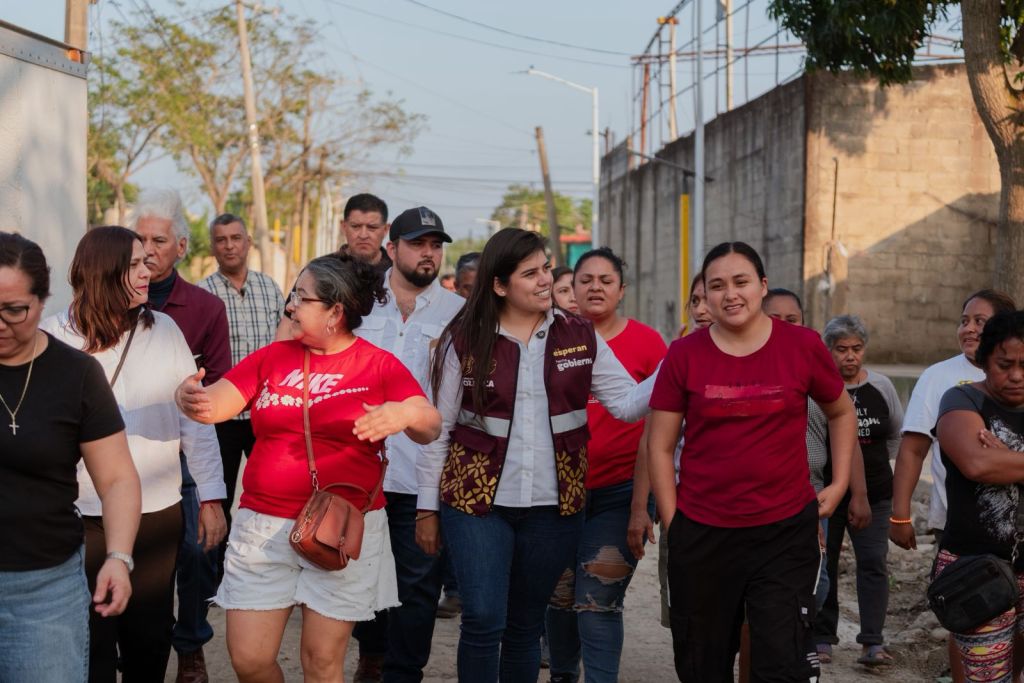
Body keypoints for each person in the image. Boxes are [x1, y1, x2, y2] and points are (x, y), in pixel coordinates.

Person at [176, 254, 441, 683]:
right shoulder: (273, 358)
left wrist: (402, 414)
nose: (290, 307)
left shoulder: (377, 365)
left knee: (321, 663)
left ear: (335, 312)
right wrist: (190, 398)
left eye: (301, 297)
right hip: (262, 529)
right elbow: (215, 403)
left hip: (338, 529)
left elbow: (429, 424)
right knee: (248, 658)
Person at [417, 228, 654, 682]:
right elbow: (439, 429)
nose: (546, 280)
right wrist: (427, 509)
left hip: (554, 508)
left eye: (546, 268)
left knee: (526, 625)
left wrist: (681, 364)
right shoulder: (464, 339)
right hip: (475, 505)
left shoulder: (579, 334)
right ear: (500, 285)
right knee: (484, 618)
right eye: (531, 273)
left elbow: (626, 403)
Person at [647, 241, 856, 682]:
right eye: (716, 286)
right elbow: (660, 446)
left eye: (741, 282)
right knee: (702, 663)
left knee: (781, 663)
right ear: (704, 296)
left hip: (783, 533)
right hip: (703, 534)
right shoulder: (684, 355)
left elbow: (841, 412)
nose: (730, 294)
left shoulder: (802, 346)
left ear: (762, 286)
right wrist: (674, 522)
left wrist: (838, 486)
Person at [42, 226, 228, 682]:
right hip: (80, 514)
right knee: (93, 638)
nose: (149, 271)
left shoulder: (164, 331)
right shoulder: (52, 337)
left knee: (149, 637)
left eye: (148, 261)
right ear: (104, 272)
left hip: (155, 512)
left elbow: (194, 418)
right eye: (135, 265)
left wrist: (210, 497)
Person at [0, 232, 141, 683]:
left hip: (45, 592)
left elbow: (117, 477)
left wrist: (119, 556)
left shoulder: (77, 374)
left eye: (14, 310)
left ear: (42, 301)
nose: (0, 323)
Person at [350, 207, 465, 682]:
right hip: (358, 471)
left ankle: (402, 674)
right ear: (391, 249)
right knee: (360, 579)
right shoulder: (358, 304)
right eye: (418, 244)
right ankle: (371, 659)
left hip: (422, 475)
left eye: (436, 245)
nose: (429, 254)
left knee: (418, 586)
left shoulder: (458, 314)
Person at [545, 247, 666, 683]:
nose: (595, 286)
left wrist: (640, 506)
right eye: (586, 279)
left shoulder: (648, 343)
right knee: (558, 599)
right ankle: (562, 674)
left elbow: (657, 428)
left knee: (597, 601)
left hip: (618, 495)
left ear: (621, 291)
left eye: (606, 280)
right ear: (571, 290)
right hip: (555, 495)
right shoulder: (550, 338)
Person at [130, 188, 232, 683]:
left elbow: (217, 389)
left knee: (197, 550)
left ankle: (190, 643)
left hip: (187, 449)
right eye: (140, 238)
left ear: (181, 248)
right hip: (129, 444)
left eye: (159, 240)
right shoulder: (113, 298)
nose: (148, 249)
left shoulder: (205, 308)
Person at [890, 289, 1015, 683]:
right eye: (965, 320)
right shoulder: (946, 383)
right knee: (973, 628)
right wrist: (900, 513)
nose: (968, 328)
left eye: (980, 321)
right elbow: (919, 451)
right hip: (967, 534)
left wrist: (1006, 459)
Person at [932, 309, 1024, 682]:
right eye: (1005, 364)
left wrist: (1008, 457)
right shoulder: (962, 401)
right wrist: (994, 460)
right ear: (985, 361)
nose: (1016, 375)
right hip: (977, 569)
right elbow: (977, 465)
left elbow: (994, 464)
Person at [814, 315, 903, 666]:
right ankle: (822, 637)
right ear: (829, 351)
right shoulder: (819, 389)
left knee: (873, 563)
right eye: (842, 350)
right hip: (829, 493)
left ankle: (872, 642)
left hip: (877, 493)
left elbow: (895, 433)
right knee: (826, 564)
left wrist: (878, 467)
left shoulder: (881, 386)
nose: (850, 356)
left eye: (857, 349)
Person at [198, 213, 285, 526]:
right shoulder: (202, 294)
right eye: (221, 240)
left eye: (236, 238)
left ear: (248, 243)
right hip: (221, 417)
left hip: (265, 411)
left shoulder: (270, 288)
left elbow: (284, 346)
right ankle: (221, 570)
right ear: (212, 247)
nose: (229, 246)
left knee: (272, 494)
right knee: (219, 500)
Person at [656, 273, 712, 631]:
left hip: (744, 514)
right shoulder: (677, 358)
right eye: (696, 300)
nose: (703, 309)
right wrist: (668, 515)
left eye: (712, 296)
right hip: (685, 508)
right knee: (688, 619)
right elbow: (656, 442)